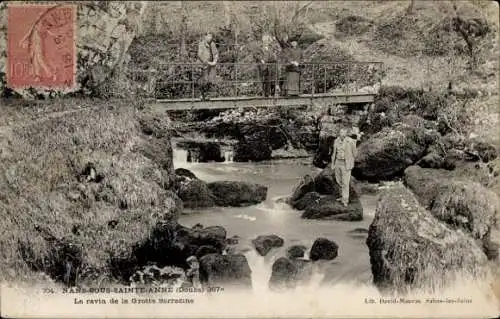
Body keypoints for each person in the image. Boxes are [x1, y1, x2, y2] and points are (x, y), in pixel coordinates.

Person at [331, 128, 357, 207]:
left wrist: (350, 161)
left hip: (346, 164)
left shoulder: (351, 141)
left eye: (343, 133)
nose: (342, 134)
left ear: (346, 134)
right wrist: (333, 163)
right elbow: (334, 153)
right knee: (339, 181)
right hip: (338, 162)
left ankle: (345, 200)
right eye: (341, 132)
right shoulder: (336, 141)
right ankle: (342, 196)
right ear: (339, 133)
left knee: (345, 182)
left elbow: (355, 153)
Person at [197, 32, 219, 100]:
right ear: (205, 37)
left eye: (211, 36)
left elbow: (216, 53)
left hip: (211, 66)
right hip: (203, 65)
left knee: (210, 80)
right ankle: (201, 95)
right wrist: (207, 62)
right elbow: (200, 55)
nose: (210, 38)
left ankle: (207, 95)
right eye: (209, 36)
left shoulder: (213, 44)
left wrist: (215, 61)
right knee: (203, 80)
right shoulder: (201, 44)